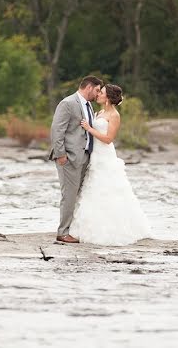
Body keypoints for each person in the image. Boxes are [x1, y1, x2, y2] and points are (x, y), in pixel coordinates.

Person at [69, 84, 151, 246]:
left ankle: (111, 230)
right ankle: (87, 227)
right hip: (95, 156)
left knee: (107, 190)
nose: (98, 94)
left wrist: (88, 128)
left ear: (108, 97)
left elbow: (108, 139)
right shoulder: (99, 112)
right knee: (92, 190)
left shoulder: (114, 115)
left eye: (102, 93)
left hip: (105, 157)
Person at [49, 75, 103, 243]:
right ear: (89, 87)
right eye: (97, 90)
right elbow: (57, 130)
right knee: (69, 196)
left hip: (85, 157)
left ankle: (73, 229)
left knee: (79, 195)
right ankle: (62, 232)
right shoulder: (68, 103)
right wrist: (61, 155)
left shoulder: (88, 106)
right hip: (69, 158)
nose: (98, 93)